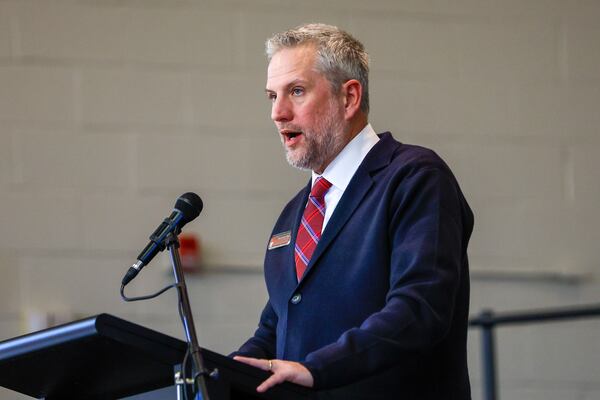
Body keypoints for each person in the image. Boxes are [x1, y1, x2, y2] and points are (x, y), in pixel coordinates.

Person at [232, 23, 474, 400]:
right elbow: (277, 325)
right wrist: (223, 374)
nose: (278, 113)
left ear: (348, 98)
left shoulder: (414, 177)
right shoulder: (294, 214)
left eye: (296, 91)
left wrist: (317, 369)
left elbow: (420, 307)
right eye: (271, 96)